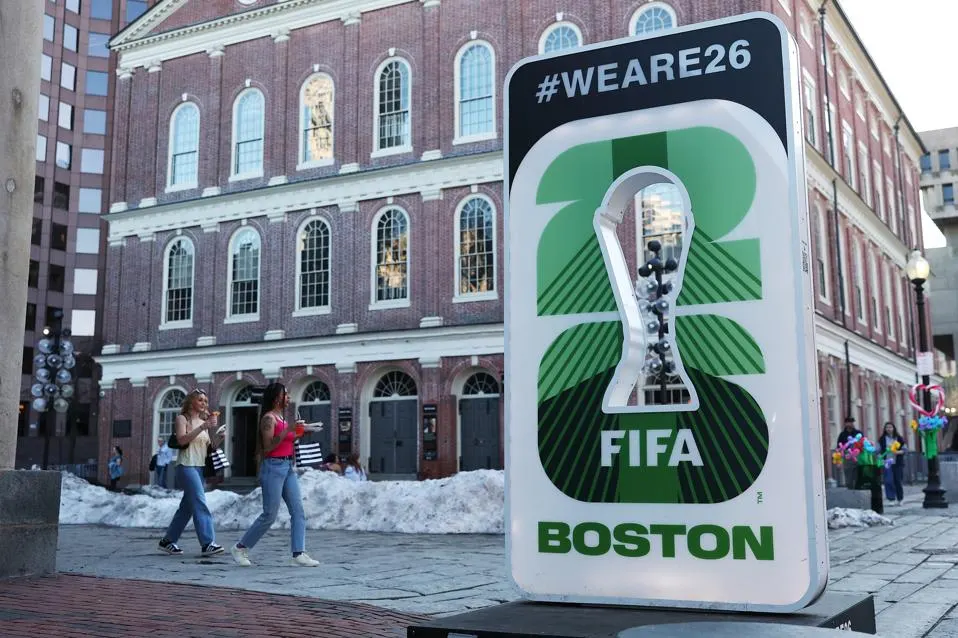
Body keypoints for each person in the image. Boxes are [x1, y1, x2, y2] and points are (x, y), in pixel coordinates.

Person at [230, 382, 319, 567]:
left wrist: (303, 432)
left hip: (287, 466)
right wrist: (288, 429)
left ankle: (298, 553)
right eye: (286, 394)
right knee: (269, 514)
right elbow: (268, 447)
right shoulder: (268, 419)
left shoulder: (281, 418)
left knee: (298, 511)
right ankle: (240, 547)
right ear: (277, 397)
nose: (289, 397)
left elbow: (287, 440)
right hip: (273, 467)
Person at [157, 388, 225, 556]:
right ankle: (208, 543)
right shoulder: (183, 419)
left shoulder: (204, 422)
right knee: (200, 502)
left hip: (199, 467)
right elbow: (182, 440)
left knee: (186, 508)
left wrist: (219, 437)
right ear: (191, 401)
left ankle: (168, 541)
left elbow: (208, 448)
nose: (204, 403)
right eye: (200, 400)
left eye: (205, 401)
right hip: (186, 466)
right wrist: (203, 427)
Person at [879, 422, 907, 505]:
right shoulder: (882, 439)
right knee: (888, 480)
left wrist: (897, 452)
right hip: (887, 462)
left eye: (890, 427)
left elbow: (905, 449)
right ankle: (891, 499)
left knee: (897, 480)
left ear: (894, 428)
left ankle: (900, 498)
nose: (888, 429)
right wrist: (879, 456)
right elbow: (878, 450)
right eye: (887, 427)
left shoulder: (899, 438)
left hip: (897, 462)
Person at [836, 416, 862, 488]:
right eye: (848, 422)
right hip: (847, 456)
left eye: (851, 422)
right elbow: (838, 447)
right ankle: (849, 486)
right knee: (848, 473)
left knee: (857, 473)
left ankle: (857, 486)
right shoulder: (842, 434)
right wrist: (838, 460)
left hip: (857, 454)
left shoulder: (858, 433)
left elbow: (863, 443)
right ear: (845, 424)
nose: (850, 424)